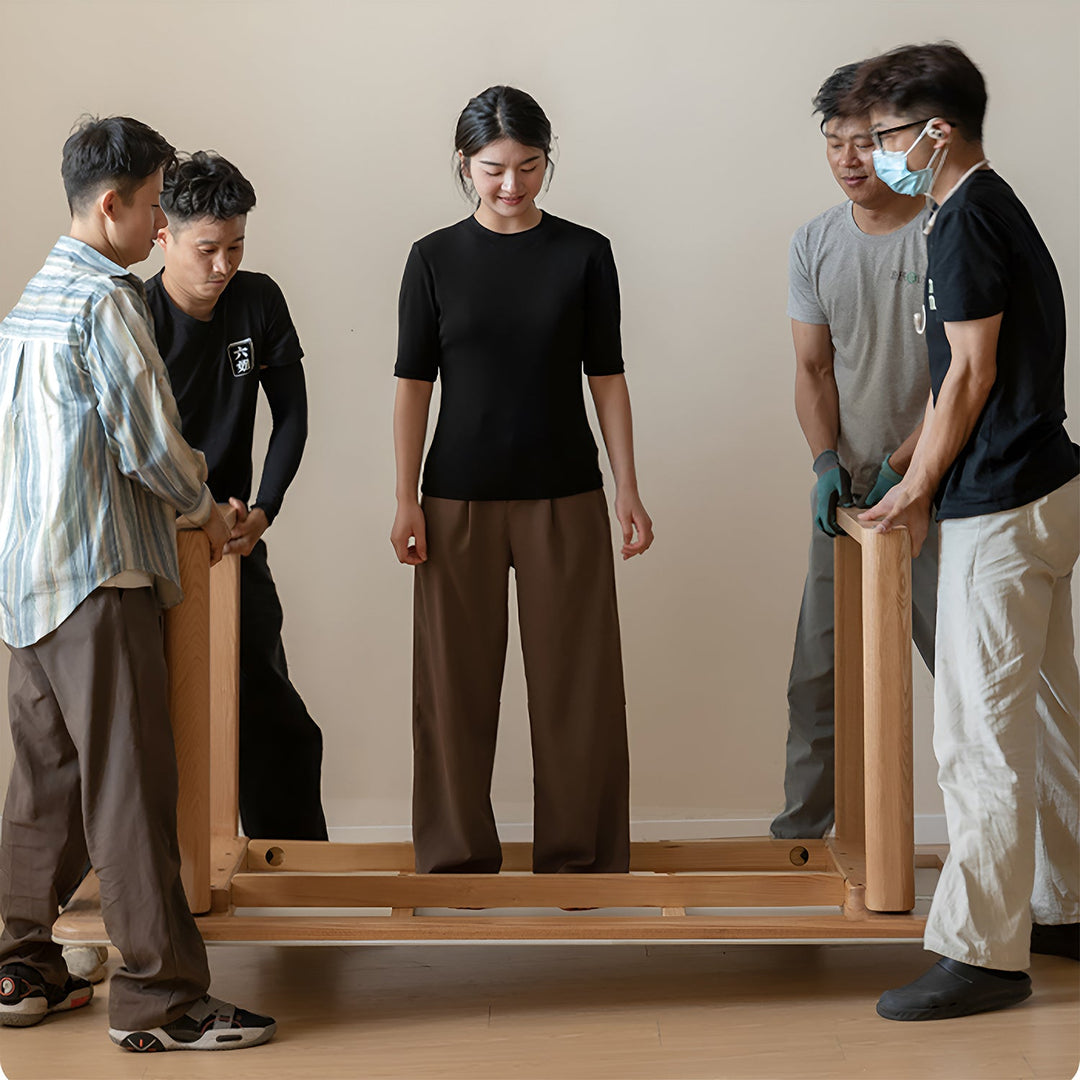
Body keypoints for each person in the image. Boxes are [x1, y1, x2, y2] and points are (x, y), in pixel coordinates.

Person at [0, 116, 275, 1051]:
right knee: (131, 787)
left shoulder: (32, 299)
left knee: (46, 784)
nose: (162, 222)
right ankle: (161, 1002)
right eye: (156, 205)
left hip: (26, 582)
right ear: (113, 204)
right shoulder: (103, 302)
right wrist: (207, 511)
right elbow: (152, 444)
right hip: (96, 578)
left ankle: (21, 966)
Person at [849, 42, 1080, 1020]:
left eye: (886, 136)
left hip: (1000, 505)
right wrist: (910, 464)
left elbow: (973, 374)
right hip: (1046, 490)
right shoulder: (994, 207)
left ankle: (983, 957)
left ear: (936, 132)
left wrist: (917, 488)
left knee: (978, 736)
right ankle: (1063, 908)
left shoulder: (964, 220)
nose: (876, 154)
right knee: (1050, 721)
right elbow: (970, 375)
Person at [391, 85, 653, 875]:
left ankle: (581, 860)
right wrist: (404, 497)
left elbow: (607, 377)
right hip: (454, 501)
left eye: (529, 166)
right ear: (464, 164)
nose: (512, 185)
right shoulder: (432, 258)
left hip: (565, 495)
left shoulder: (584, 253)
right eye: (494, 168)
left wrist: (627, 486)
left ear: (547, 160)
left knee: (579, 687)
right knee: (453, 690)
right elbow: (413, 385)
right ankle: (456, 861)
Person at [771, 62, 938, 840]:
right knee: (819, 680)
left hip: (942, 486)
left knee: (970, 677)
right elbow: (811, 369)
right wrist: (824, 464)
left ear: (901, 141)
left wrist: (908, 468)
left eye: (866, 141)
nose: (848, 159)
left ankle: (1028, 866)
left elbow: (964, 377)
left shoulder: (947, 233)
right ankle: (802, 852)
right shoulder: (815, 241)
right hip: (848, 496)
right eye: (834, 141)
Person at [147, 151, 328, 842]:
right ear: (162, 235)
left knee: (271, 711)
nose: (223, 265)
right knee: (154, 714)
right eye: (207, 250)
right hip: (151, 543)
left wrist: (264, 510)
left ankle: (292, 864)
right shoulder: (132, 315)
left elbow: (293, 416)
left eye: (236, 246)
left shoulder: (258, 300)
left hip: (234, 538)